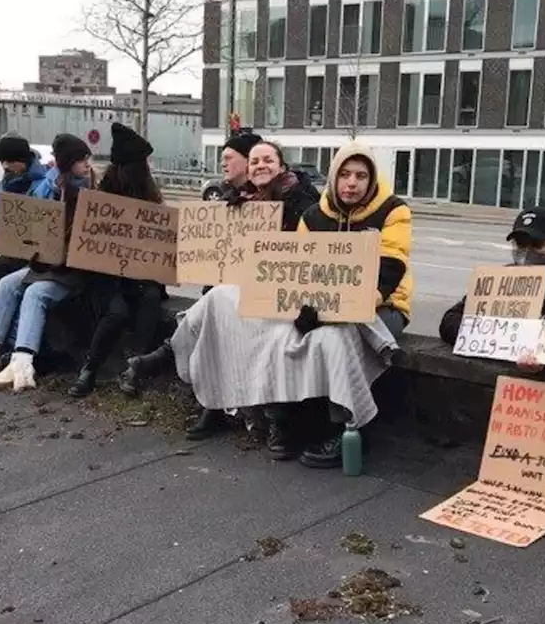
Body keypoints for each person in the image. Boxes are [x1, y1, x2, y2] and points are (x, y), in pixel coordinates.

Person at [120, 141, 411, 468]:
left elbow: (389, 271)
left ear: (371, 179)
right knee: (235, 310)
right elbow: (299, 269)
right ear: (334, 177)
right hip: (320, 304)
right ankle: (259, 412)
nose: (352, 183)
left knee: (340, 340)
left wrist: (337, 310)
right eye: (344, 175)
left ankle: (350, 429)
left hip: (381, 306)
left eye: (360, 176)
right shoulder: (315, 216)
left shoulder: (392, 210)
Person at [0, 134, 97, 391]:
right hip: (47, 264)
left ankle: (22, 363)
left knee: (34, 293)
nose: (87, 164)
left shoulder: (90, 190)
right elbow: (32, 224)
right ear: (68, 162)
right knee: (6, 283)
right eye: (82, 160)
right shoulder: (47, 187)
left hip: (72, 271)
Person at [438, 207, 545, 372]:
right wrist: (502, 341)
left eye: (537, 245)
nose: (527, 252)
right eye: (520, 245)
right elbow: (450, 321)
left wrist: (544, 355)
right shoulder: (502, 278)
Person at [68, 123, 167, 398]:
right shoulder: (100, 201)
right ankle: (89, 369)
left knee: (149, 299)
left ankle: (135, 366)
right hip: (105, 278)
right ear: (137, 168)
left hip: (139, 276)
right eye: (146, 162)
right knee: (117, 313)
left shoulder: (152, 201)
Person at [214, 132, 260, 203]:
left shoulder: (272, 196)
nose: (223, 164)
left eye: (228, 158)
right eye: (222, 159)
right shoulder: (226, 198)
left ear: (249, 160)